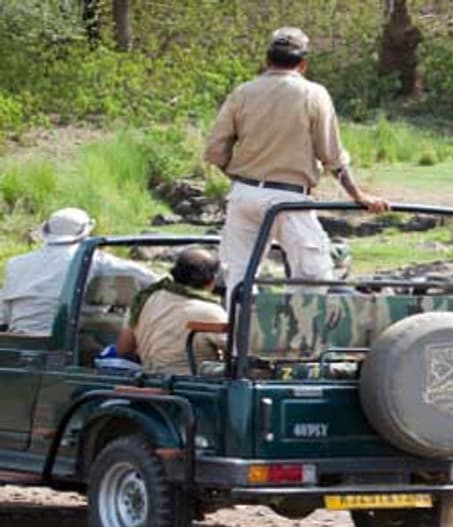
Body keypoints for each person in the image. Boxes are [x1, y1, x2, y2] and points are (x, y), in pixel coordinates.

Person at [203, 26, 388, 304]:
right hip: (290, 197)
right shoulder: (313, 94)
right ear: (303, 64)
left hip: (244, 194)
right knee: (313, 275)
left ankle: (240, 340)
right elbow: (332, 156)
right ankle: (295, 337)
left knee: (239, 277)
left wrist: (241, 177)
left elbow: (216, 150)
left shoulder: (242, 93)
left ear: (267, 60)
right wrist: (358, 195)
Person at [0, 208, 155, 335]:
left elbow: (4, 314)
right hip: (65, 341)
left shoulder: (15, 263)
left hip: (19, 339)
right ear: (85, 233)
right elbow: (146, 276)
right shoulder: (93, 258)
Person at [117, 247, 227, 375]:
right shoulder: (210, 311)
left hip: (150, 381)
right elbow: (239, 354)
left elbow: (124, 349)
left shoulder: (145, 299)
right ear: (212, 281)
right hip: (196, 388)